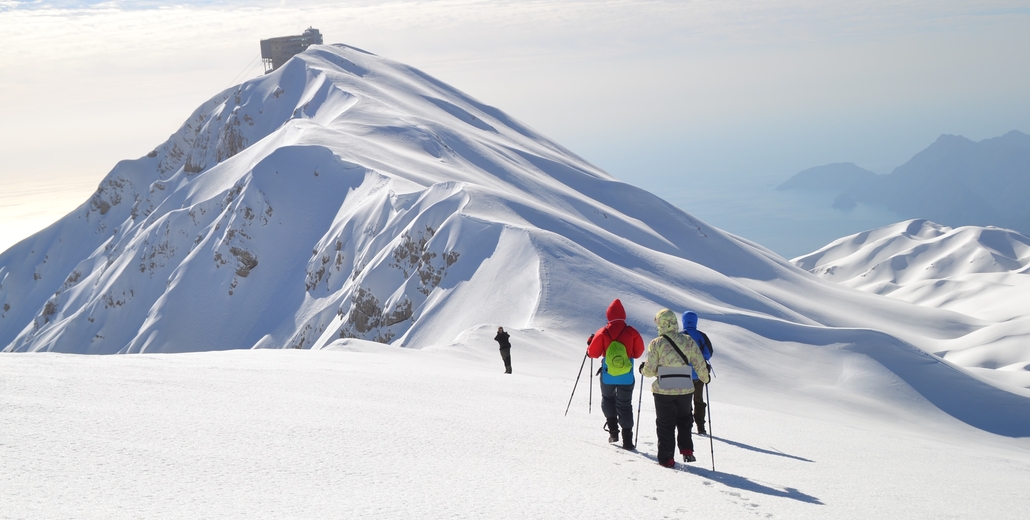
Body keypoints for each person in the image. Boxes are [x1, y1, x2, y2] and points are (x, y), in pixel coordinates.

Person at [640, 308, 710, 468]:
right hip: (685, 388)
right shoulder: (687, 340)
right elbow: (699, 362)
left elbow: (649, 371)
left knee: (665, 424)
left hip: (663, 389)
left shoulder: (656, 343)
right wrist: (705, 378)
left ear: (660, 323)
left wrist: (643, 370)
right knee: (685, 419)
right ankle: (687, 450)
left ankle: (667, 459)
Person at [587, 299, 645, 450]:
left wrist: (591, 343)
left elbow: (593, 354)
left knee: (607, 398)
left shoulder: (603, 332)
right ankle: (627, 440)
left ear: (608, 315)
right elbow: (638, 353)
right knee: (625, 404)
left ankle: (613, 431)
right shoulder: (632, 331)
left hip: (608, 375)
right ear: (623, 315)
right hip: (626, 375)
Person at [681, 311, 713, 435]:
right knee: (698, 399)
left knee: (686, 400)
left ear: (683, 321)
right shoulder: (701, 336)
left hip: (684, 373)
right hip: (699, 373)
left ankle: (687, 424)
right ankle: (701, 426)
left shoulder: (680, 336)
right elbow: (708, 354)